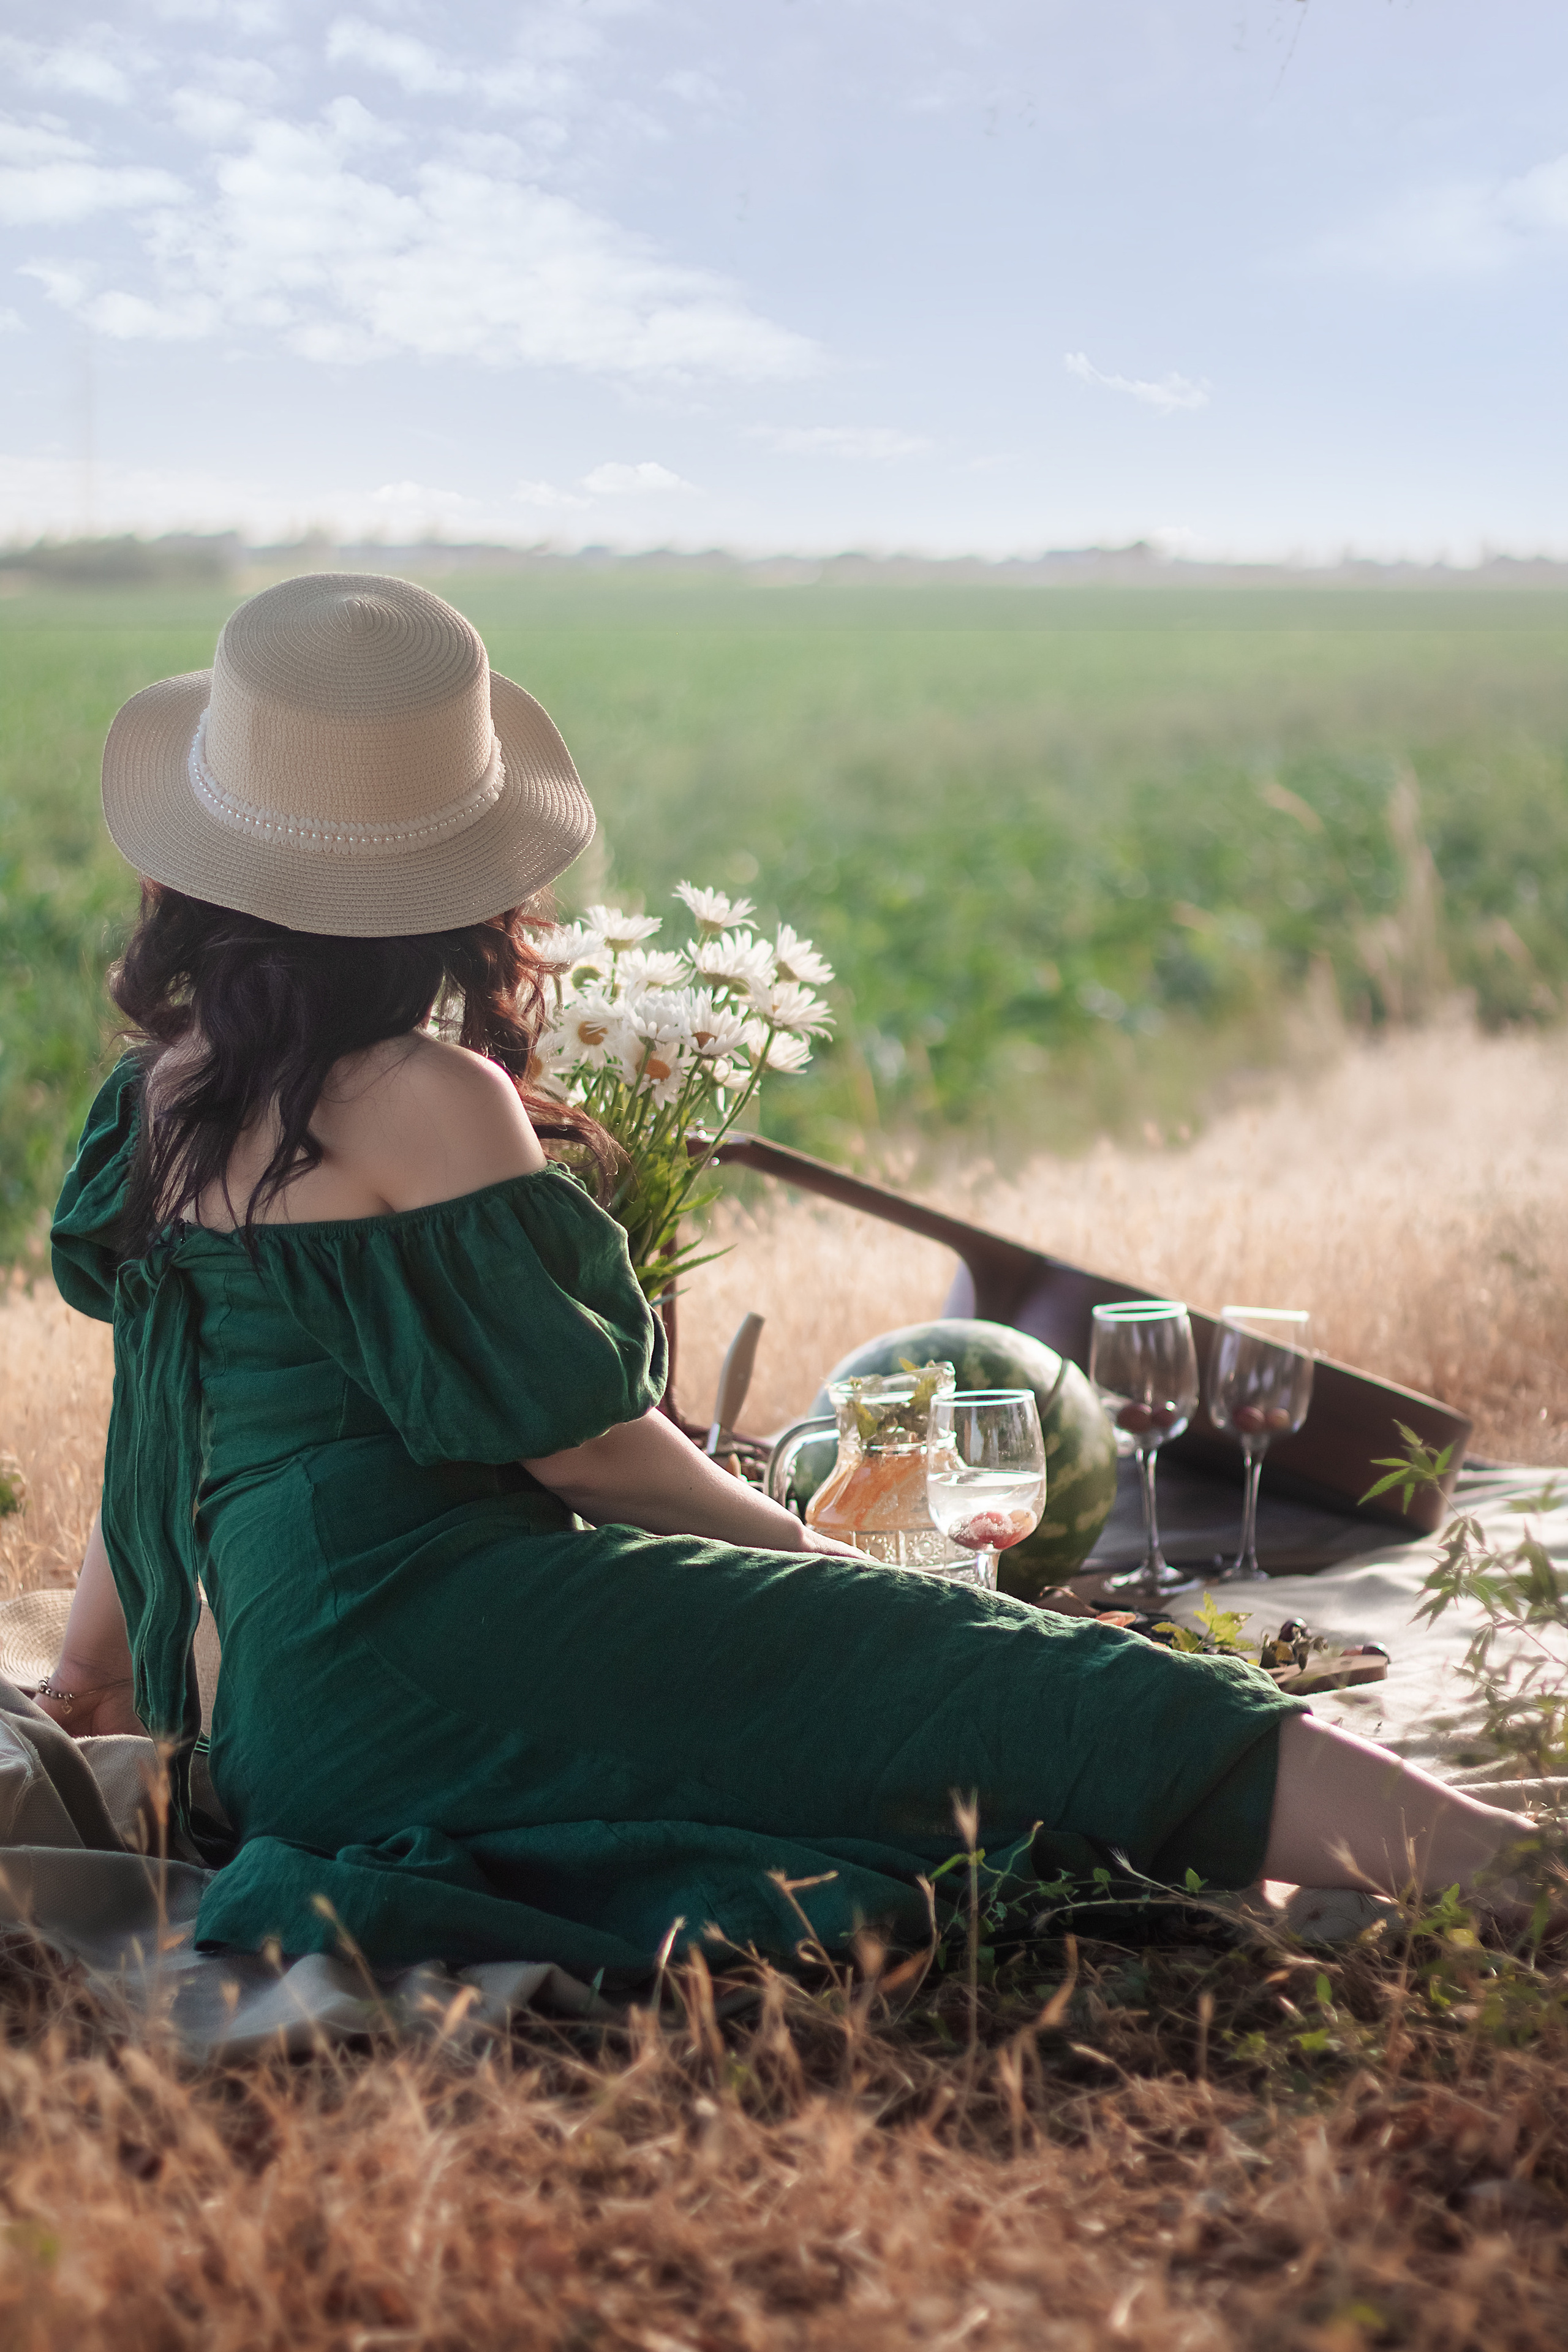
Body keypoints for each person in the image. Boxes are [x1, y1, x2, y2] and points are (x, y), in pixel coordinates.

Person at [36, 572, 1536, 1979]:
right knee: (984, 1663)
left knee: (867, 1723)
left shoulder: (156, 1099)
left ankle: (1355, 1853)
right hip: (430, 1645)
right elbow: (596, 1453)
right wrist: (808, 1561)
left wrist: (96, 1673)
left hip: (288, 1723)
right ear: (451, 877)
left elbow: (155, 1433)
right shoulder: (425, 1096)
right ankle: (1500, 1866)